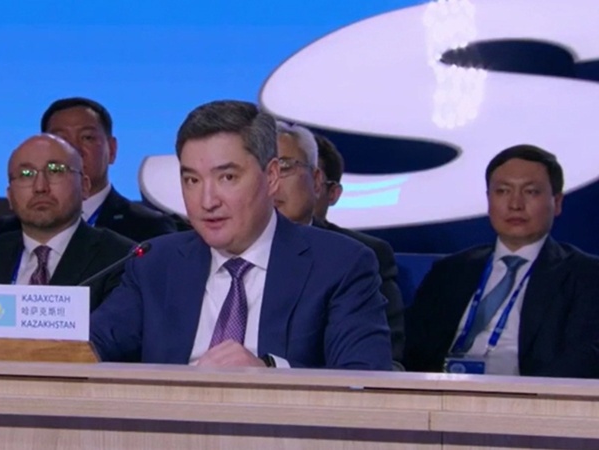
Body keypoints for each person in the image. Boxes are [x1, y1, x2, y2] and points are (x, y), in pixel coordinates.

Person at [90, 100, 392, 369]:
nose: (207, 201)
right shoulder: (155, 263)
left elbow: (363, 377)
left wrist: (269, 374)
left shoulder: (339, 264)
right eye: (192, 180)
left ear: (271, 177)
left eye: (227, 177)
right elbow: (88, 347)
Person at [404, 145, 599, 378]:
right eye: (503, 191)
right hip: (442, 391)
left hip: (528, 394)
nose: (515, 204)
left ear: (557, 202)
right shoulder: (450, 272)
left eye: (531, 192)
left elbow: (584, 357)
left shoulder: (585, 276)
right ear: (488, 199)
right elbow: (411, 347)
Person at [0, 134, 135, 354]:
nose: (40, 187)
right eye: (26, 174)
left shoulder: (120, 258)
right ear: (10, 195)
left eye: (55, 170)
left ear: (85, 186)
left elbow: (116, 349)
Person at [272, 124, 405, 367]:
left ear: (317, 181)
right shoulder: (213, 251)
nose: (270, 183)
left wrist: (273, 371)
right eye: (257, 170)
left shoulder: (356, 258)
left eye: (283, 168)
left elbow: (379, 364)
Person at [0, 98, 176, 242]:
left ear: (112, 150)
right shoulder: (10, 230)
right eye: (61, 140)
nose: (74, 150)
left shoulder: (148, 228)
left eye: (87, 138)